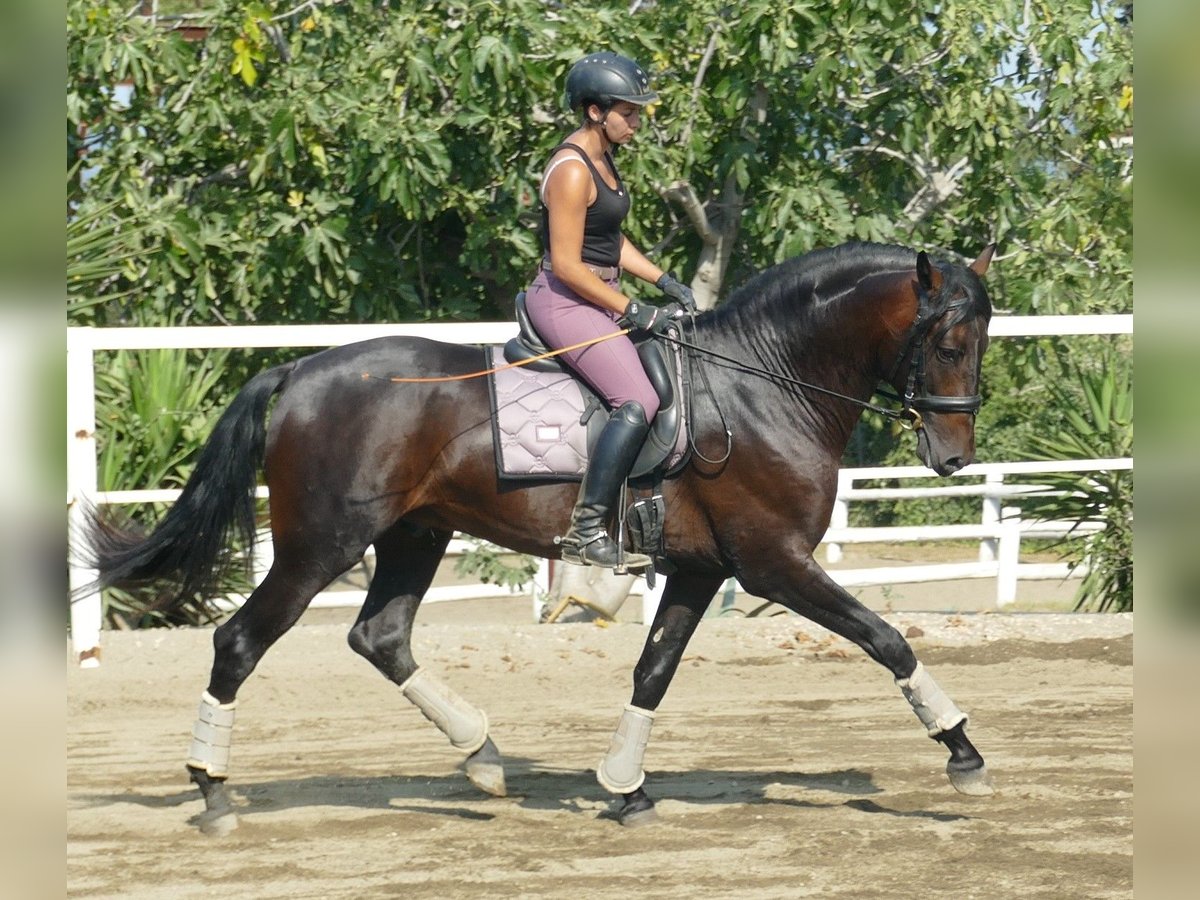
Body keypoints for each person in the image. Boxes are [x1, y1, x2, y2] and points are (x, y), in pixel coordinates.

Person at [525, 50, 696, 570]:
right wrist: (636, 309)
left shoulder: (604, 159)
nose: (638, 121)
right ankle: (586, 529)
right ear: (595, 111)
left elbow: (609, 240)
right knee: (637, 398)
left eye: (639, 111)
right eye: (629, 111)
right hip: (564, 298)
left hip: (596, 293)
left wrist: (662, 279)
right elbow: (569, 264)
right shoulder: (572, 171)